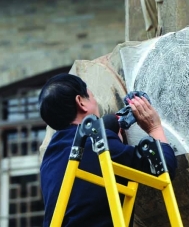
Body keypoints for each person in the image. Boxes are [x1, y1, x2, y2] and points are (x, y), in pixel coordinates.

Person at [38, 73, 177, 226]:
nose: (96, 102)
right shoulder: (98, 144)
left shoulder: (49, 160)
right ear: (81, 102)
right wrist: (154, 127)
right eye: (91, 97)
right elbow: (165, 166)